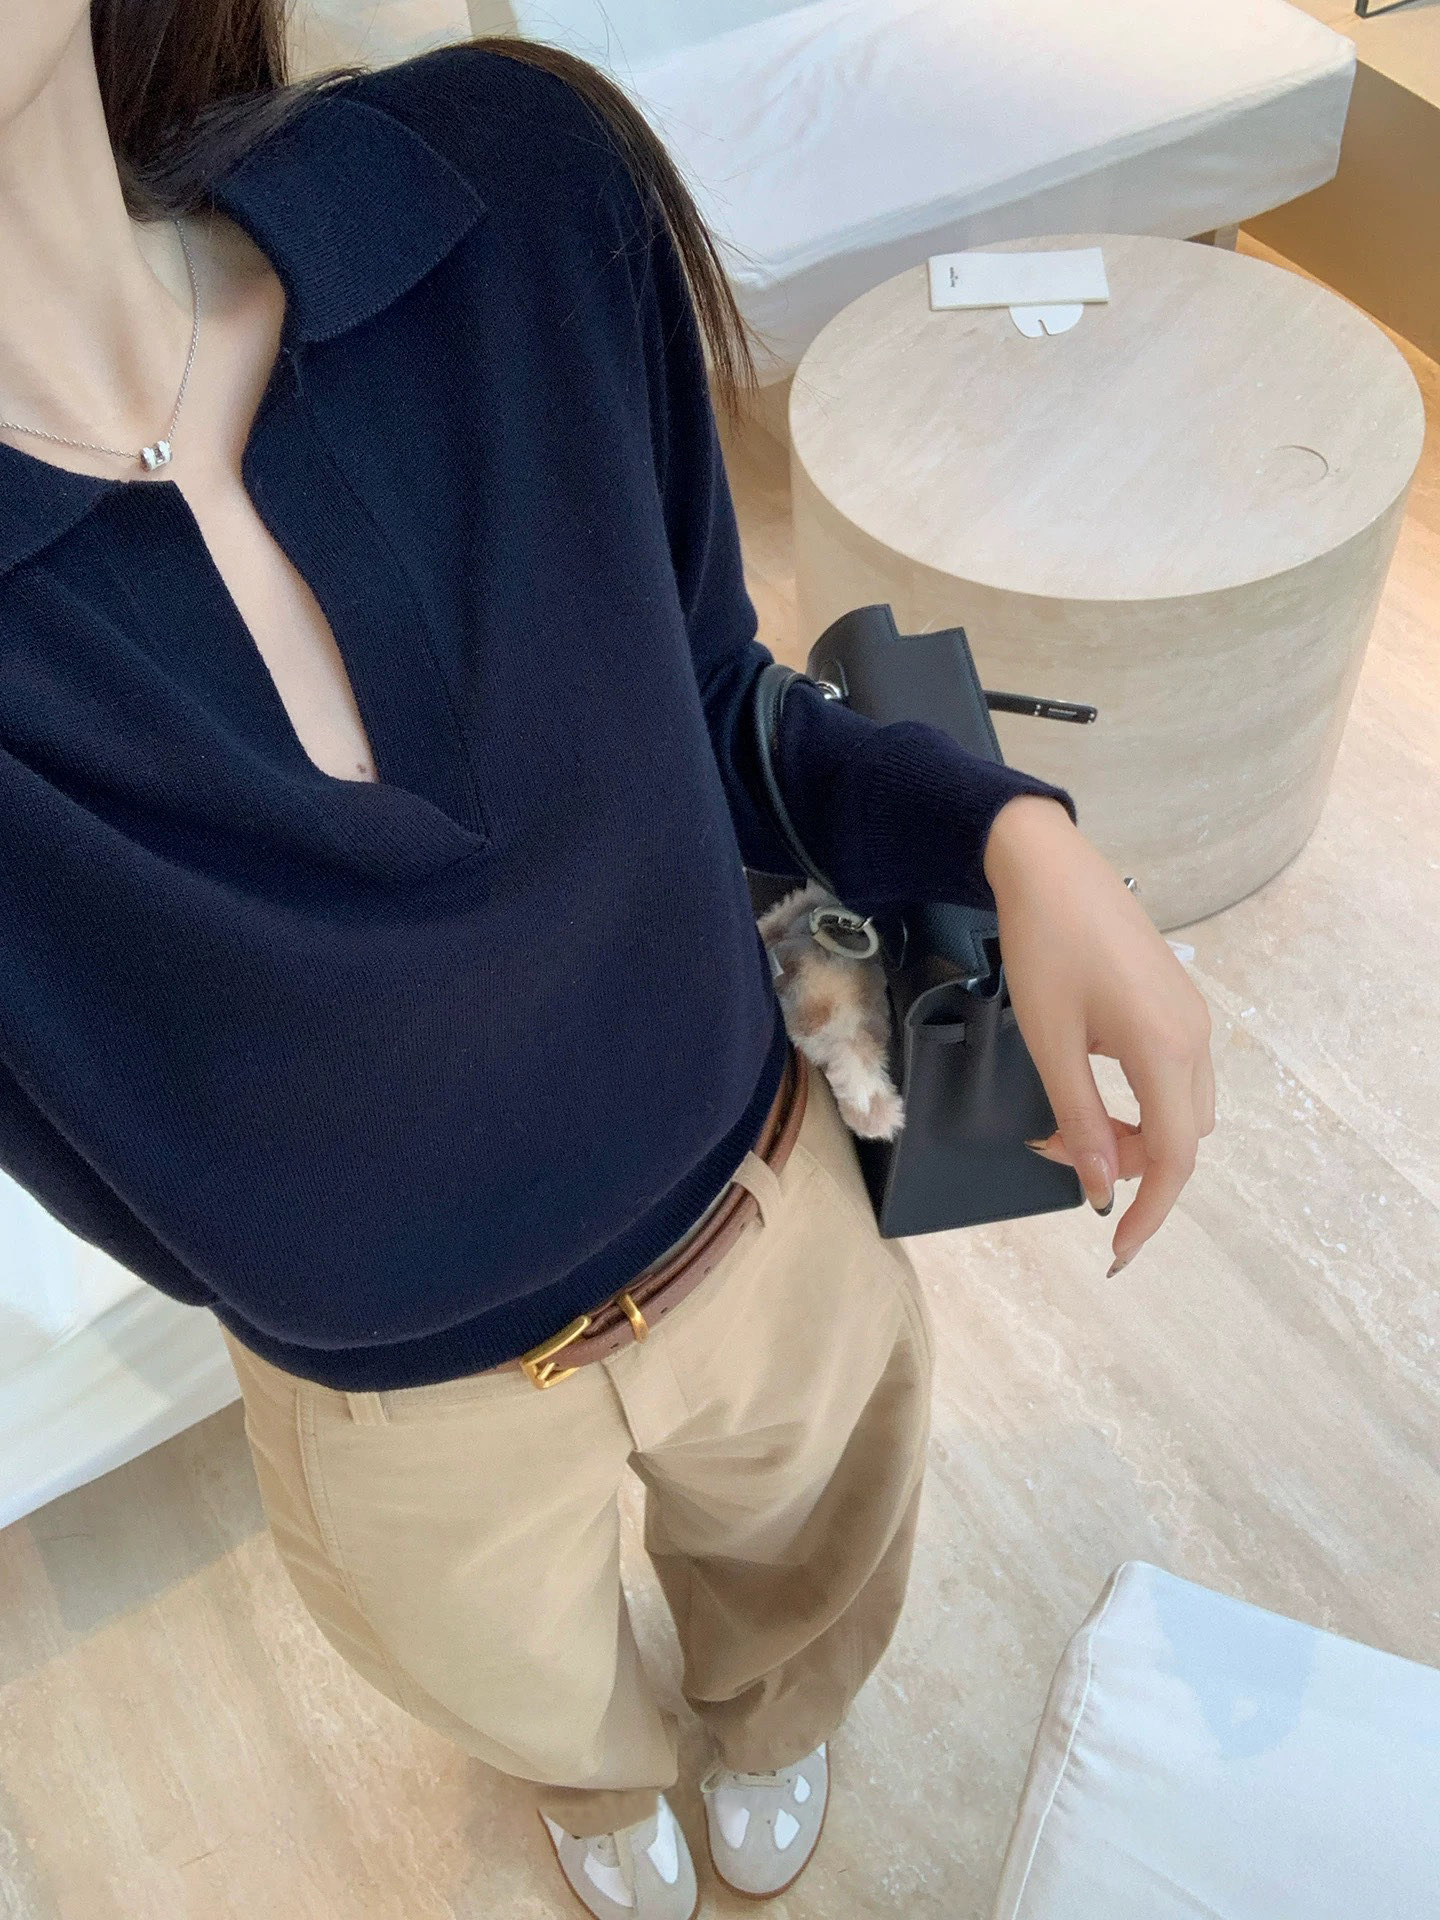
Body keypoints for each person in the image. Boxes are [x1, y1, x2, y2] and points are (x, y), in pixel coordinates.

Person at [0, 5, 1215, 1915]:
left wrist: (1008, 833)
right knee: (526, 1689)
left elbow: (708, 696)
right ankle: (597, 1779)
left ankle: (775, 1713)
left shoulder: (506, 195)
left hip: (761, 1212)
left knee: (814, 1566)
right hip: (394, 1414)